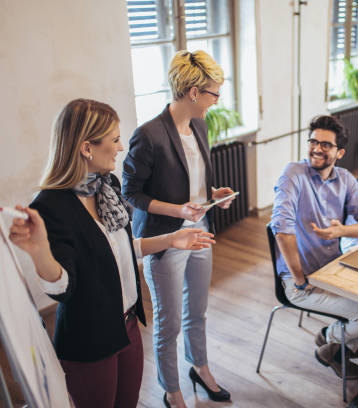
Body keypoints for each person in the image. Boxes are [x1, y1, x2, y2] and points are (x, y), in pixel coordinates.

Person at [8, 99, 214, 408]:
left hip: (128, 326)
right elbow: (62, 287)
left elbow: (120, 251)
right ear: (87, 147)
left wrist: (172, 239)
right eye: (115, 139)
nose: (120, 147)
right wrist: (39, 252)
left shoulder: (106, 186)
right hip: (90, 339)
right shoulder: (51, 206)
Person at [122, 50, 235, 408]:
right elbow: (131, 193)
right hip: (166, 239)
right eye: (214, 93)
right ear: (193, 92)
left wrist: (214, 195)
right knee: (168, 323)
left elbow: (195, 182)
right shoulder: (148, 135)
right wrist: (178, 210)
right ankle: (171, 389)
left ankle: (199, 366)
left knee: (197, 310)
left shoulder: (200, 125)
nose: (217, 100)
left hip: (201, 232)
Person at [271, 115, 358, 380]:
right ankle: (331, 339)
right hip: (301, 281)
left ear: (340, 152)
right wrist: (300, 279)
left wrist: (343, 230)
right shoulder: (293, 173)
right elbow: (282, 229)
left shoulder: (345, 179)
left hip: (334, 271)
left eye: (326, 144)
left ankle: (338, 344)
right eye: (313, 141)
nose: (317, 148)